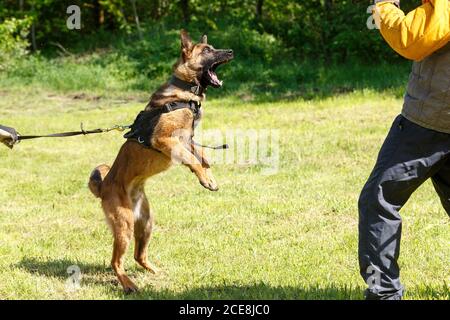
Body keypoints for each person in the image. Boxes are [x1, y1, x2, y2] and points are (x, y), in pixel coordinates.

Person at [359, 0, 450, 300]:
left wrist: (383, 7)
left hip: (430, 122)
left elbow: (413, 38)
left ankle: (384, 294)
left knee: (379, 200)